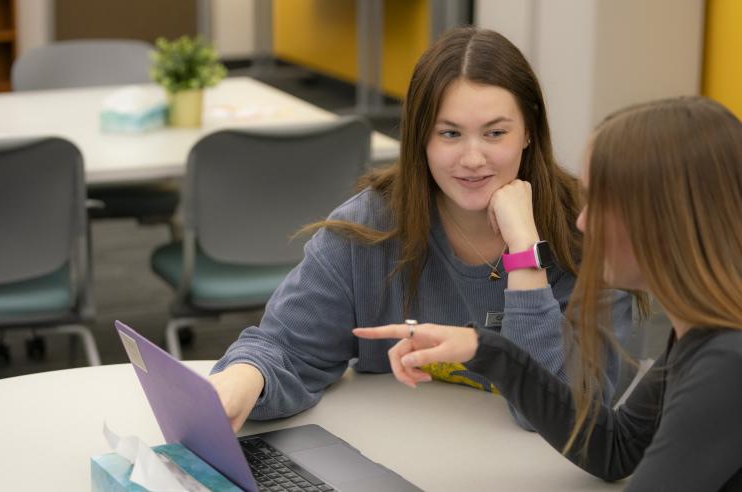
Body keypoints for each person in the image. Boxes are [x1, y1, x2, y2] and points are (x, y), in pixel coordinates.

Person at [355, 96, 742, 490]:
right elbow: (616, 448)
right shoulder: (718, 327)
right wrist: (486, 349)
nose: (582, 222)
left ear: (665, 221)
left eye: (600, 203)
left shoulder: (733, 362)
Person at [210, 27, 632, 432]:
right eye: (449, 133)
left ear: (528, 133)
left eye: (495, 133)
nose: (472, 158)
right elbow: (283, 347)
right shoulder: (369, 227)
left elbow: (568, 410)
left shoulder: (590, 231)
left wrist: (525, 250)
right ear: (420, 138)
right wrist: (243, 379)